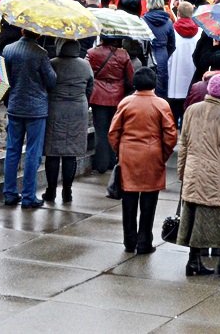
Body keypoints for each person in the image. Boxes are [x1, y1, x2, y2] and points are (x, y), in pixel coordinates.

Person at [176, 73, 220, 276]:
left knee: (194, 216)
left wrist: (182, 172)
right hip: (219, 176)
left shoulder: (191, 110)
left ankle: (193, 261)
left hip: (194, 171)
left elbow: (184, 143)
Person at [109, 67, 178, 253]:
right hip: (153, 155)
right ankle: (144, 241)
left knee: (128, 201)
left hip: (129, 155)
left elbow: (114, 132)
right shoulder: (161, 104)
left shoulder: (126, 102)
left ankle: (129, 241)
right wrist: (163, 154)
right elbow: (171, 135)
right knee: (149, 202)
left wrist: (120, 151)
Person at [2, 29, 57, 208]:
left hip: (15, 105)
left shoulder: (8, 50)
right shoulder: (41, 54)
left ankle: (9, 193)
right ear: (39, 34)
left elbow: (6, 78)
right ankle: (28, 196)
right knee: (33, 152)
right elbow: (51, 81)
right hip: (36, 110)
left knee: (12, 151)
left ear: (21, 30)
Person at [42, 40, 94, 204]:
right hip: (78, 111)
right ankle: (67, 191)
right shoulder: (85, 66)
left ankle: (50, 191)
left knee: (52, 153)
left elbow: (47, 85)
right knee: (70, 154)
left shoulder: (52, 63)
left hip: (55, 109)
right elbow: (90, 88)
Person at [86, 37, 134, 173]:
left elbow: (88, 75)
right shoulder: (123, 54)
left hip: (98, 96)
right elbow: (131, 78)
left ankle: (101, 164)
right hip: (117, 96)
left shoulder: (92, 53)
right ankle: (113, 160)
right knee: (114, 130)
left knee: (100, 131)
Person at [167, 1, 201, 129]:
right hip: (192, 77)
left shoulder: (171, 30)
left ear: (178, 13)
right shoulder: (199, 32)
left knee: (173, 115)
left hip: (175, 78)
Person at [143, 0, 176, 97]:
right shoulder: (168, 21)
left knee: (146, 81)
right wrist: (165, 53)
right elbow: (172, 44)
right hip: (162, 53)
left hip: (148, 53)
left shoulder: (143, 20)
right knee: (162, 83)